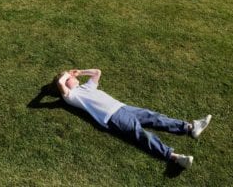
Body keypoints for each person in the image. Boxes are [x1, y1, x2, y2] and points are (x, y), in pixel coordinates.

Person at [55, 68, 211, 168]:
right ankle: (176, 158)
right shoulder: (72, 96)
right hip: (112, 117)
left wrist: (79, 72)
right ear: (67, 82)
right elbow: (60, 84)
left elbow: (97, 72)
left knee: (153, 117)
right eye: (69, 76)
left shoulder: (86, 87)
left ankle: (190, 128)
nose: (72, 76)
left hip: (122, 107)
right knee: (142, 135)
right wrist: (64, 76)